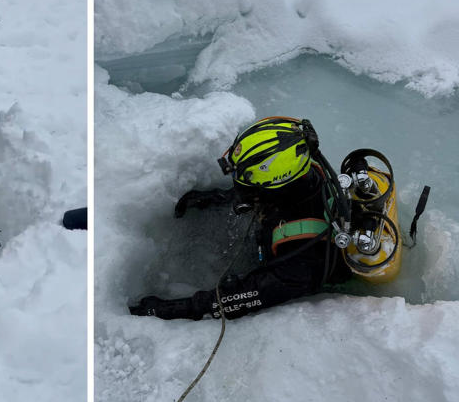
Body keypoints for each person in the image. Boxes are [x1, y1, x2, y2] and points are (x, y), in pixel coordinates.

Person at [129, 117, 353, 320]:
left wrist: (169, 309)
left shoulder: (301, 258)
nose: (239, 189)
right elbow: (261, 193)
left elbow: (238, 299)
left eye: (245, 186)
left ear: (275, 187)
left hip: (294, 275)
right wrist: (216, 197)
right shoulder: (304, 175)